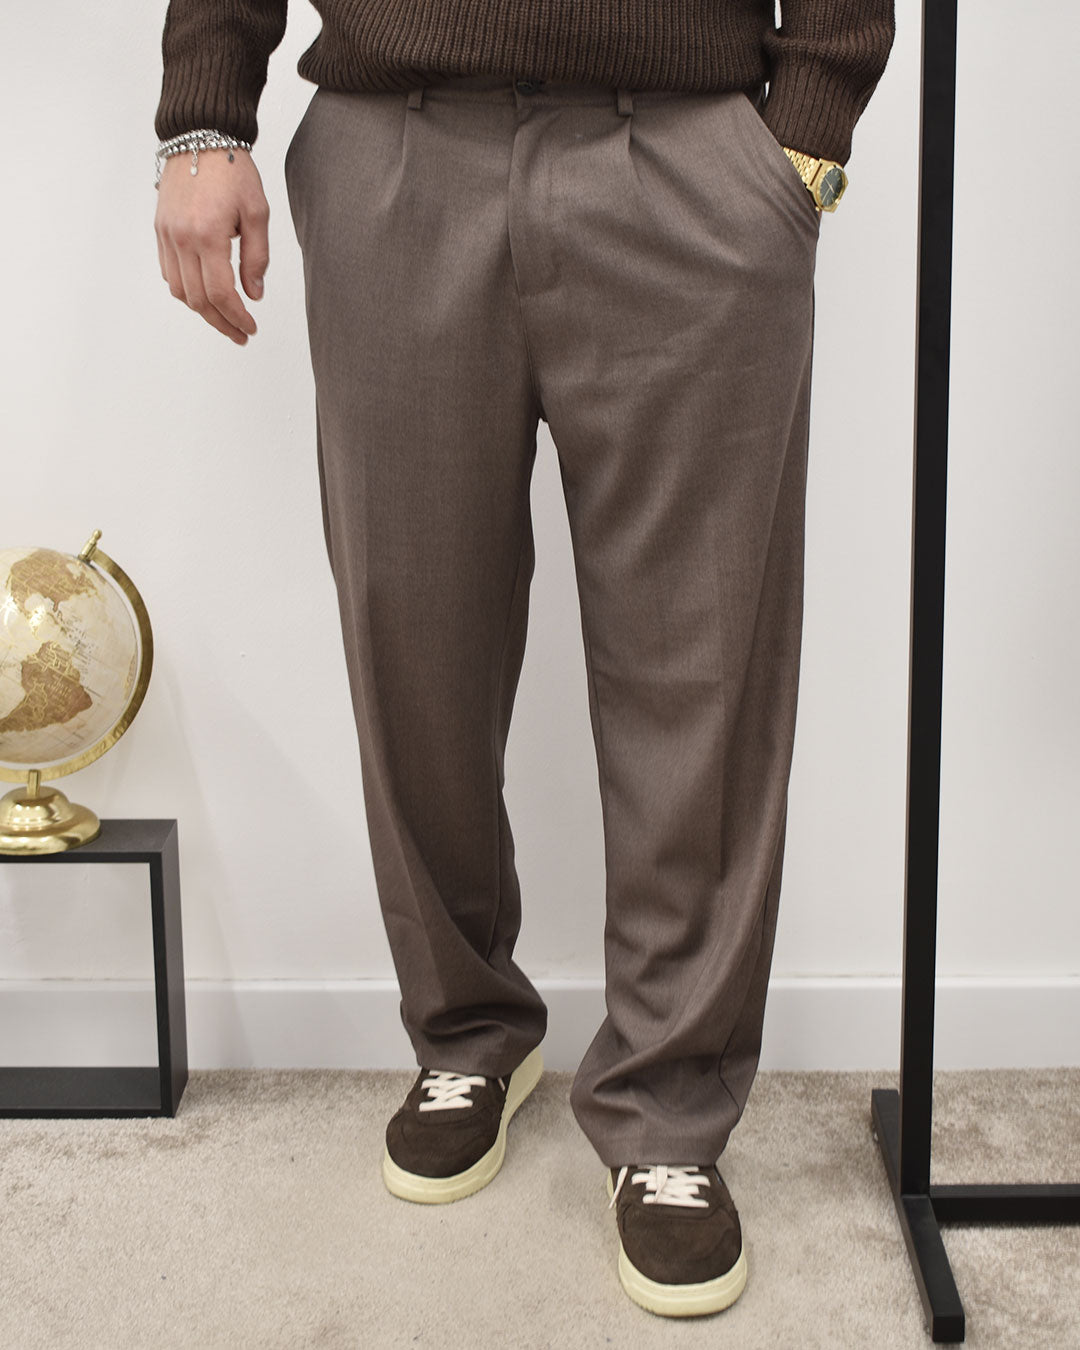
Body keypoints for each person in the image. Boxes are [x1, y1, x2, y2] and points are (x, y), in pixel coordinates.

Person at [153, 0, 895, 1320]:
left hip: (688, 158)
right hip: (396, 148)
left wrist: (806, 138)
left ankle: (670, 1107)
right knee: (412, 633)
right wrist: (203, 118)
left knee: (702, 660)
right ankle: (464, 1028)